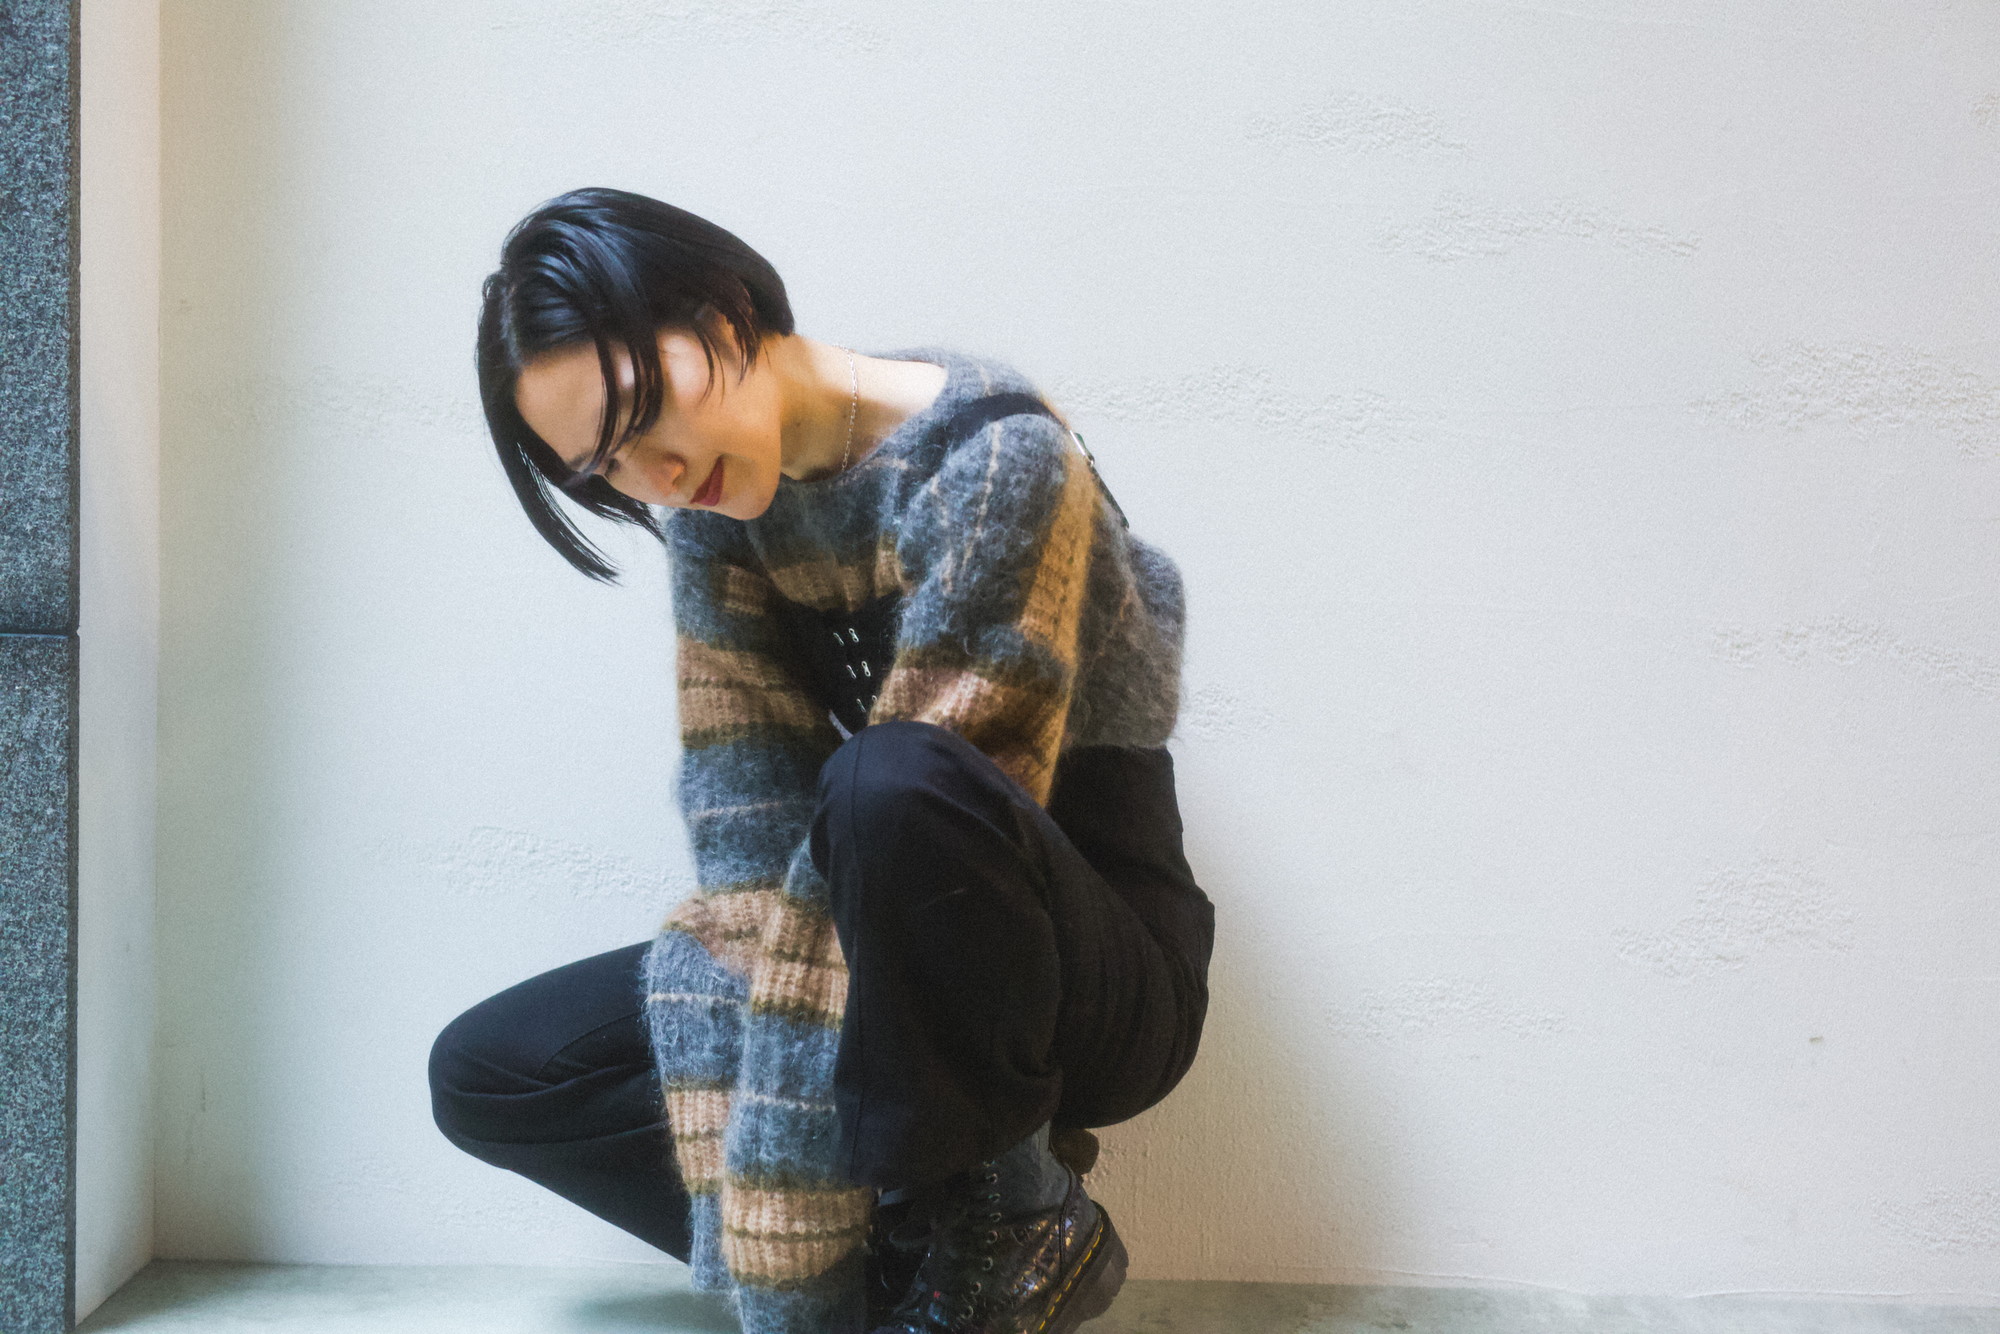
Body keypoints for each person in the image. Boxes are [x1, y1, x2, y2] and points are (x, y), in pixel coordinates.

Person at [427, 186, 1214, 1334]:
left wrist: (776, 1145)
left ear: (722, 311)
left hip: (1089, 980)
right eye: (607, 464)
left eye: (647, 411)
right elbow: (748, 834)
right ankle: (906, 1253)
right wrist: (780, 1203)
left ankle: (1017, 1213)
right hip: (882, 942)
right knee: (493, 1067)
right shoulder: (714, 520)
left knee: (891, 780)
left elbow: (954, 780)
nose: (655, 473)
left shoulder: (996, 454)